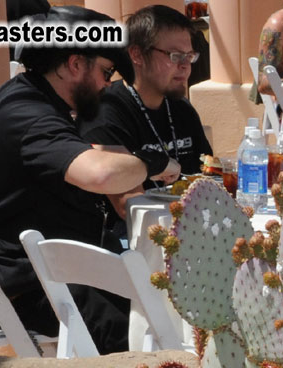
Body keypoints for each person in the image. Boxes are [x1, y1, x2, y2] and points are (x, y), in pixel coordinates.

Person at [0, 5, 181, 355]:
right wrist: (149, 161)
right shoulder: (30, 115)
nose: (107, 84)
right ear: (75, 63)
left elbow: (82, 159)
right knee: (153, 322)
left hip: (52, 272)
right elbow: (101, 174)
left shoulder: (27, 96)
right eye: (105, 71)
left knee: (159, 292)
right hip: (34, 288)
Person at [80, 4, 211, 235]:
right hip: (132, 246)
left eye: (190, 56)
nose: (185, 67)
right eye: (175, 56)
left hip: (190, 232)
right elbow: (130, 206)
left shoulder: (181, 108)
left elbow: (208, 177)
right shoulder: (106, 111)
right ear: (137, 54)